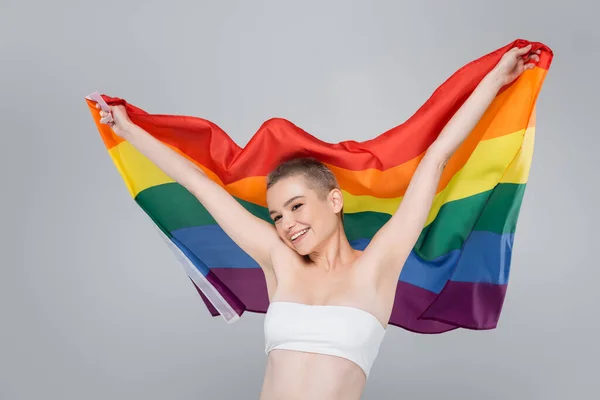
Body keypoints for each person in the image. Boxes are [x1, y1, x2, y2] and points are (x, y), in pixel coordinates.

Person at [96, 44, 540, 400]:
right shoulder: (280, 263)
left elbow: (436, 158)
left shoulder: (377, 266)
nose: (286, 224)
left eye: (296, 207)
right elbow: (199, 184)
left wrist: (495, 80)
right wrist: (127, 129)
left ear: (334, 200)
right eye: (276, 215)